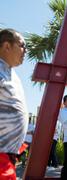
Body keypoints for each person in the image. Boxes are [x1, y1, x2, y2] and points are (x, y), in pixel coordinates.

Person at [0, 29, 28, 179]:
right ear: (7, 46)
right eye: (22, 45)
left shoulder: (11, 73)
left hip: (8, 155)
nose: (25, 51)